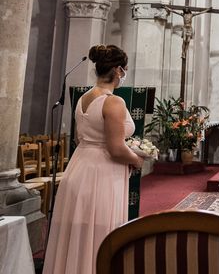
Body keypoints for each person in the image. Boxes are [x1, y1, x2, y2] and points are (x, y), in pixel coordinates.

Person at [44, 44, 144, 274]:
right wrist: (136, 159)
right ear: (118, 70)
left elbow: (81, 139)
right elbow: (116, 148)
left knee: (78, 229)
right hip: (103, 173)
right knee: (100, 230)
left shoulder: (83, 98)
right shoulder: (113, 101)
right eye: (124, 69)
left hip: (80, 167)